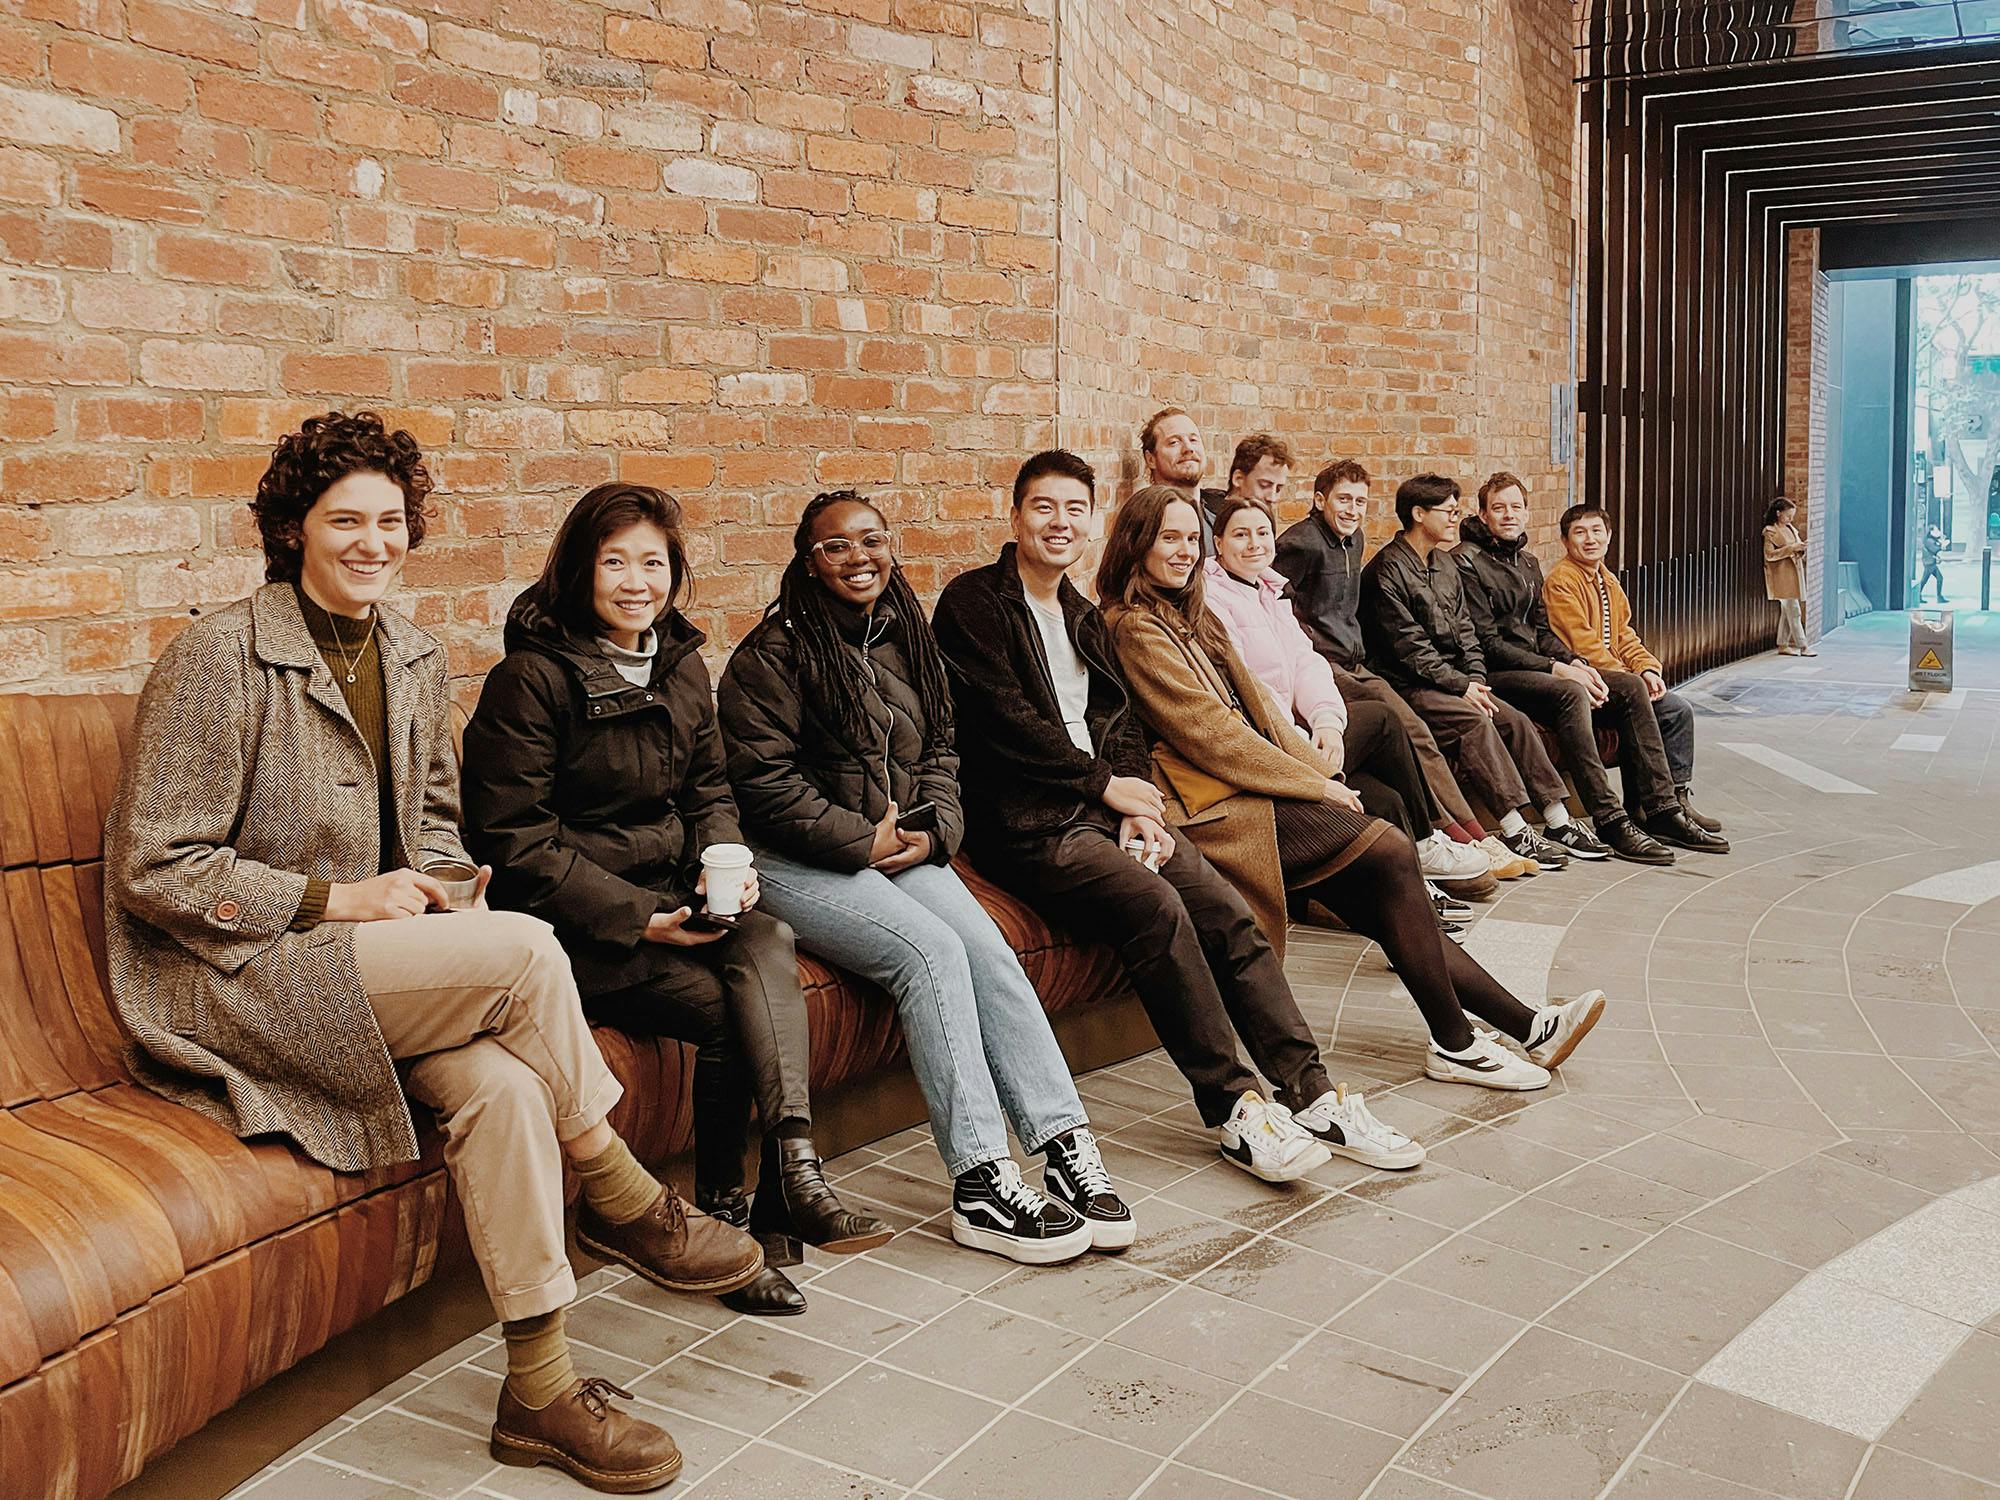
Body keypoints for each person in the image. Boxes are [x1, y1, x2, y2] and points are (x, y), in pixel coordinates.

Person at [103, 414, 761, 1494]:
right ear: (291, 529)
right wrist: (337, 898)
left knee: (505, 1090)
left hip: (374, 969)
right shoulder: (218, 655)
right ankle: (619, 1192)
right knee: (524, 952)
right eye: (344, 519)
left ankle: (539, 1393)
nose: (373, 541)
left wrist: (446, 894)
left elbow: (445, 835)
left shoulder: (410, 654)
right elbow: (155, 867)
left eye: (392, 520)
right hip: (239, 978)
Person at [461, 483, 892, 1321]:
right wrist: (636, 916)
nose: (636, 582)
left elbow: (709, 790)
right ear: (578, 570)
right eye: (614, 561)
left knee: (765, 934)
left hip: (671, 901)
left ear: (674, 572)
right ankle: (739, 1217)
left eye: (652, 563)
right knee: (736, 1014)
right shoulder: (531, 681)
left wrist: (720, 863)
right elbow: (513, 841)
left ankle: (791, 1178)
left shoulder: (680, 664)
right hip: (573, 931)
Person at [932, 455, 1416, 1184]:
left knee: (1226, 912)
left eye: (1074, 509)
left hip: (1105, 812)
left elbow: (1118, 718)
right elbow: (1007, 722)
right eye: (1043, 507)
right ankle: (1234, 1107)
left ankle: (1312, 1093)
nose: (1059, 523)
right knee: (1156, 908)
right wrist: (1105, 786)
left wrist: (1134, 799)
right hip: (1029, 825)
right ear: (1015, 516)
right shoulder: (973, 603)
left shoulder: (1082, 617)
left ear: (1092, 523)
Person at [715, 489, 1128, 1264]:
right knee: (928, 954)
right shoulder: (771, 657)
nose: (858, 558)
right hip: (792, 861)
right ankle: (980, 1180)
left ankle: (1064, 1143)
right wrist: (857, 842)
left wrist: (935, 825)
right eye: (836, 547)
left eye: (871, 541)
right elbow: (760, 786)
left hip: (898, 844)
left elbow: (942, 746)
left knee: (985, 950)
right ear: (808, 563)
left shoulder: (906, 637)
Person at [1097, 484, 1604, 1092]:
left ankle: (1521, 1027)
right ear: (1136, 545)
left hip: (1250, 785)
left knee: (1388, 898)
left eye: (1189, 538)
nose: (1182, 552)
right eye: (1167, 538)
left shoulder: (1191, 611)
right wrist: (1316, 786)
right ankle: (1460, 1041)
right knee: (1389, 850)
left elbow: (1259, 707)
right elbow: (1210, 735)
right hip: (1208, 805)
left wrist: (1318, 768)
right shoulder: (1133, 626)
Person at [1203, 491, 1492, 925]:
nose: (1255, 544)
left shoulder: (1269, 591)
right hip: (1269, 745)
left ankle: (1411, 895)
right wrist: (1303, 742)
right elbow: (1249, 689)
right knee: (1381, 718)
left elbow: (1305, 661)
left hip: (1300, 733)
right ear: (1219, 543)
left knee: (1384, 797)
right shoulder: (1214, 600)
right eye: (1240, 535)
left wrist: (1327, 723)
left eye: (1263, 532)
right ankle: (1427, 838)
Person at [1276, 460, 1536, 884]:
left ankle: (1470, 835)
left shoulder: (1354, 539)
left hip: (1357, 664)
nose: (1353, 510)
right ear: (1319, 500)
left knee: (1418, 730)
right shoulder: (1300, 543)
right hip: (1323, 666)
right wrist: (1307, 652)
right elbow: (1276, 602)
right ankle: (1449, 834)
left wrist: (1471, 677)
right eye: (1343, 499)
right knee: (1406, 727)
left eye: (1360, 501)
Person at [1455, 473, 1682, 865]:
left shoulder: (1526, 561)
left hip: (1536, 668)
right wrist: (1559, 669)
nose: (1508, 515)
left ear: (1527, 513)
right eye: (1498, 508)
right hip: (1497, 673)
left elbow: (1543, 630)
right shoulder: (1466, 561)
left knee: (1628, 686)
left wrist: (1576, 662)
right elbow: (1489, 643)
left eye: (1515, 507)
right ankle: (1609, 817)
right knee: (1571, 691)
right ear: (1482, 513)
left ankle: (1661, 808)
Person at [1359, 474, 1577, 873]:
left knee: (1514, 719)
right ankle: (1513, 829)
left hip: (1455, 679)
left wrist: (1475, 680)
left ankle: (1558, 820)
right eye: (1448, 511)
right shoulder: (1386, 570)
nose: (1455, 519)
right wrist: (1461, 686)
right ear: (1418, 513)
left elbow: (1466, 631)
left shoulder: (1444, 563)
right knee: (1475, 721)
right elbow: (1409, 650)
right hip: (1411, 684)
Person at [1545, 504, 1728, 845]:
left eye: (1597, 531)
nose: (1590, 539)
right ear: (1565, 541)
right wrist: (1631, 678)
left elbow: (1625, 636)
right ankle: (1658, 808)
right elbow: (1582, 644)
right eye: (1580, 533)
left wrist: (1646, 668)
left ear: (1609, 536)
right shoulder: (1562, 581)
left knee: (1677, 710)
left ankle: (1674, 800)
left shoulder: (1607, 579)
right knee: (1643, 699)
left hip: (1618, 678)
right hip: (1591, 680)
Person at [1763, 498, 1815, 655]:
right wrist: (1791, 548)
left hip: (1793, 574)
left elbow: (1794, 549)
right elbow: (1769, 555)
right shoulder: (1771, 531)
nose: (1790, 519)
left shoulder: (1791, 529)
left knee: (1787, 611)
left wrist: (1800, 549)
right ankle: (1803, 646)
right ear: (1778, 514)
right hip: (1781, 576)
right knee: (1793, 610)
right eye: (1788, 516)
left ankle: (1783, 644)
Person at [1917, 521, 1947, 603]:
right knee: (1925, 580)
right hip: (1929, 563)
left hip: (1930, 562)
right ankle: (1918, 595)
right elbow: (1934, 549)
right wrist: (1942, 546)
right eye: (1936, 530)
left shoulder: (1930, 540)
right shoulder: (1928, 540)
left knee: (1938, 578)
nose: (1938, 532)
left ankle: (1939, 596)